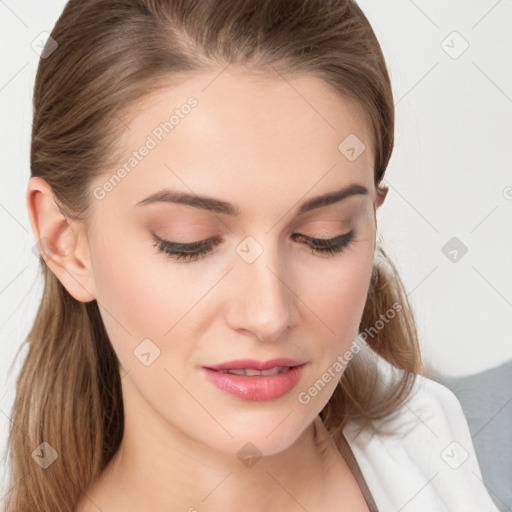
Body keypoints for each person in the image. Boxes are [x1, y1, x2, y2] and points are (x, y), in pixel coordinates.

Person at [3, 0, 499, 511]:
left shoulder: (470, 447)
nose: (268, 314)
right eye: (188, 241)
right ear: (66, 244)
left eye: (324, 235)